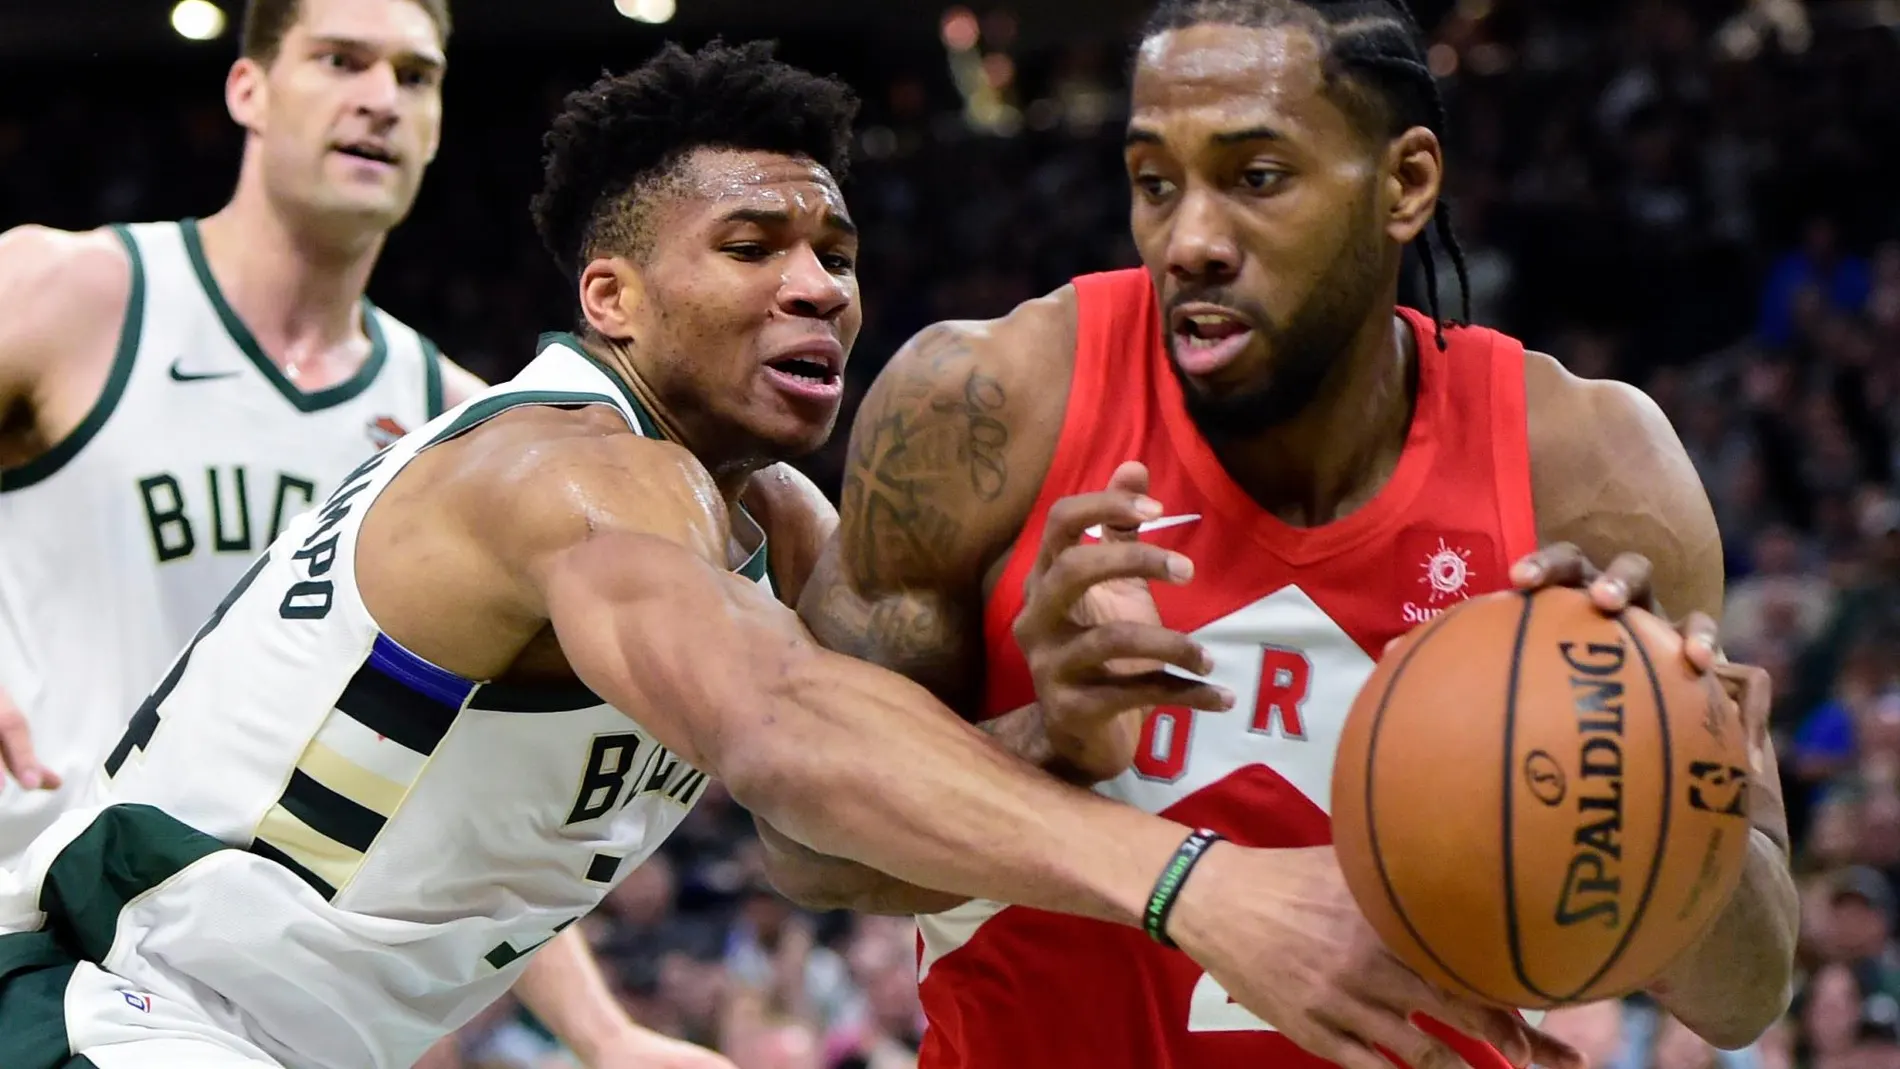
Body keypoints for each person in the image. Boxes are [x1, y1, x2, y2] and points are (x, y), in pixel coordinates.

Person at [0, 39, 1565, 1069]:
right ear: (609, 298)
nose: (819, 286)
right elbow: (782, 736)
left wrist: (1049, 731)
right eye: (751, 248)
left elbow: (846, 843)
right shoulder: (562, 472)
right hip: (114, 1014)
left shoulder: (776, 524)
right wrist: (1204, 890)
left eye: (836, 252)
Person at [781, 1, 1801, 1067]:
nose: (1191, 242)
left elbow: (1745, 991)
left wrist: (1665, 775)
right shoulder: (982, 406)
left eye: (1256, 177)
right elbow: (803, 845)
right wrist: (1050, 742)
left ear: (1404, 184)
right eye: (1154, 184)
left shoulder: (1591, 470)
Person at [0, 1, 717, 1065]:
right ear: (248, 88)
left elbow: (461, 791)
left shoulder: (466, 425)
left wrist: (603, 1033)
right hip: (38, 933)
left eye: (415, 76)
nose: (381, 98)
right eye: (341, 61)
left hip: (203, 998)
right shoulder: (75, 293)